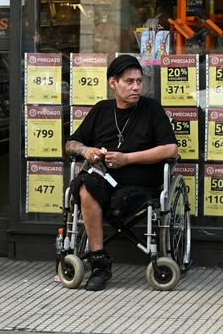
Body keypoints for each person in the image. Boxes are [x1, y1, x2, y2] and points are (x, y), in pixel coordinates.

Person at [65, 55, 178, 291]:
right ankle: (99, 262)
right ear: (113, 83)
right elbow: (71, 143)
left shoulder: (151, 109)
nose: (136, 87)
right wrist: (87, 152)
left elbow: (171, 149)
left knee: (112, 199)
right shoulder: (101, 110)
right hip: (104, 179)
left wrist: (127, 159)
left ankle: (105, 222)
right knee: (86, 187)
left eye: (139, 81)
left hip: (141, 182)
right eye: (129, 82)